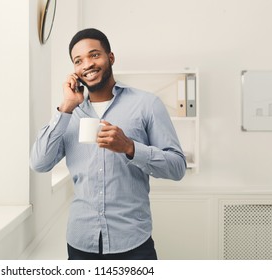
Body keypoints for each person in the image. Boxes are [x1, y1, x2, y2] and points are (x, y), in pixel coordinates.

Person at [30, 28, 186, 260]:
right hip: (81, 242)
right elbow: (39, 163)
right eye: (78, 61)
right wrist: (66, 107)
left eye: (94, 55)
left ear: (110, 58)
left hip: (133, 242)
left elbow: (177, 168)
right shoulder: (70, 112)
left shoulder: (147, 104)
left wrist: (130, 148)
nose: (87, 65)